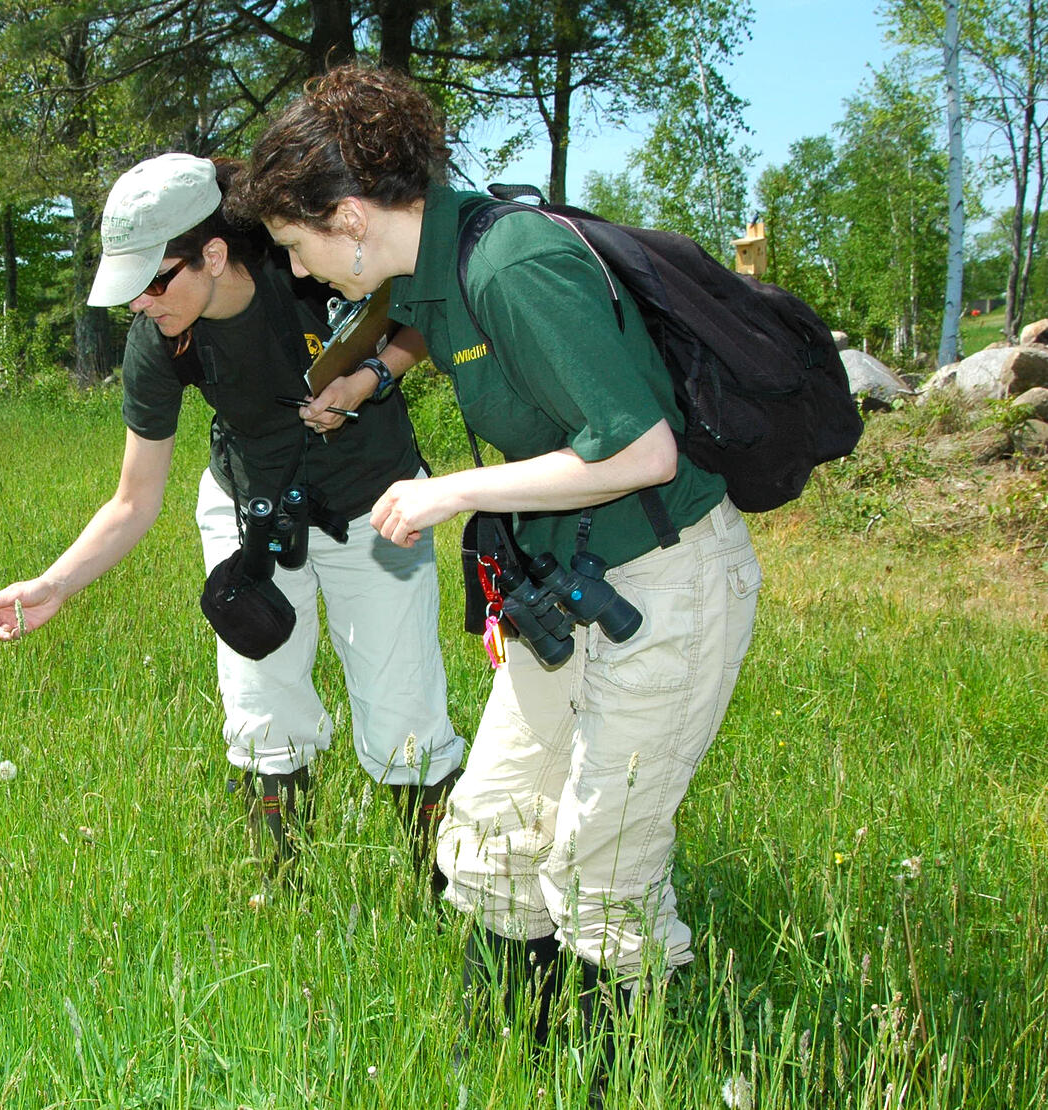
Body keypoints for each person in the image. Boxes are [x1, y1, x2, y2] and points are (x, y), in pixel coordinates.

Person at [232, 65, 762, 1066]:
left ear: (347, 217)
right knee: (486, 845)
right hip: (563, 590)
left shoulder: (509, 260)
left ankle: (623, 1078)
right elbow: (437, 336)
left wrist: (453, 493)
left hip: (666, 581)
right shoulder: (436, 272)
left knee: (601, 876)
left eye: (297, 247)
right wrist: (370, 375)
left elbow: (640, 451)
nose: (300, 274)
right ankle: (512, 1065)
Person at [0, 153, 464, 885]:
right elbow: (134, 498)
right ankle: (278, 884)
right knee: (262, 716)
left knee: (403, 723)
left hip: (378, 505)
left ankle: (444, 889)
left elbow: (419, 304)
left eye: (152, 281)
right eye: (129, 290)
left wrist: (370, 377)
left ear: (211, 253)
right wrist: (54, 583)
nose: (139, 304)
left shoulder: (308, 255)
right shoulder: (160, 339)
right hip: (253, 514)